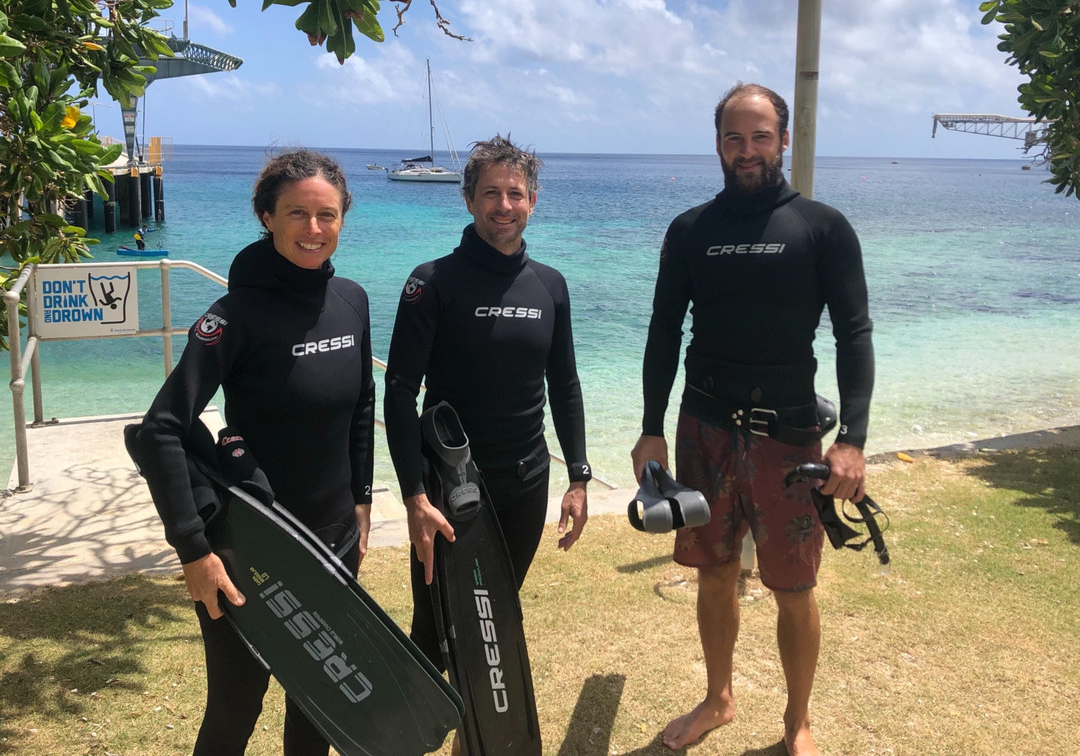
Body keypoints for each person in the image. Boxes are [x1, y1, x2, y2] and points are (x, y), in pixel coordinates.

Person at [630, 83, 874, 756]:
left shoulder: (823, 228)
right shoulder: (690, 230)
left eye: (760, 136)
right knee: (712, 571)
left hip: (789, 435)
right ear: (717, 144)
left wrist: (852, 439)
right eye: (734, 138)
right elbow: (662, 331)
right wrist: (651, 425)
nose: (747, 150)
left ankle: (797, 723)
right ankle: (719, 698)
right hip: (703, 424)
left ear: (784, 140)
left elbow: (854, 334)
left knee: (794, 585)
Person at [133, 149, 376, 756]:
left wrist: (363, 499)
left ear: (343, 218)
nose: (313, 229)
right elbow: (161, 428)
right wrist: (194, 550)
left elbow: (362, 405)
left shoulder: (351, 300)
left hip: (334, 537)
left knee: (321, 698)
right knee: (238, 703)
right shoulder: (234, 315)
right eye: (297, 213)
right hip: (250, 546)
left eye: (327, 215)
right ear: (267, 216)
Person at [383, 134, 592, 669]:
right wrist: (414, 497)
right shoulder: (431, 283)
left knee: (496, 615)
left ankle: (470, 742)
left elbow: (564, 385)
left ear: (533, 201)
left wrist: (578, 478)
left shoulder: (550, 286)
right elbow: (399, 392)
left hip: (525, 482)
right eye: (491, 193)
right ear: (469, 199)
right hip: (449, 486)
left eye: (516, 193)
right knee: (434, 624)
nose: (505, 206)